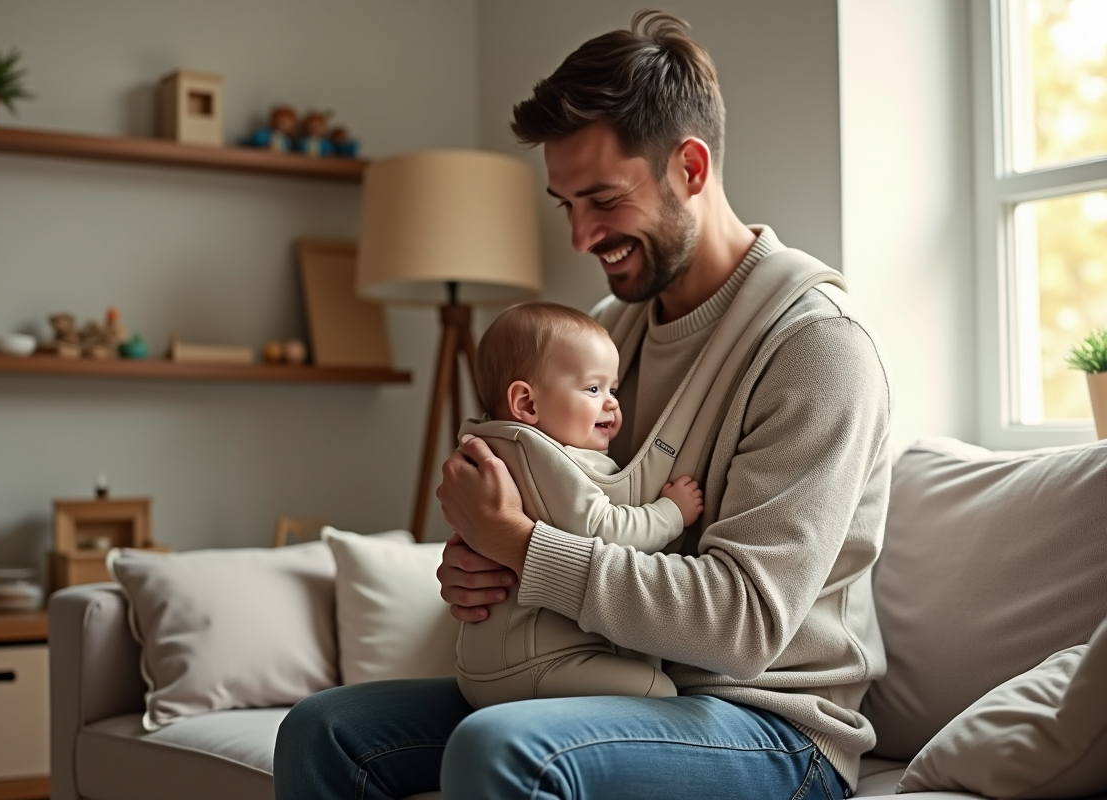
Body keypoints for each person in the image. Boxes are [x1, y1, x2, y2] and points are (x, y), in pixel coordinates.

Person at [274, 10, 891, 800]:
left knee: (504, 749)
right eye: (565, 203)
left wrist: (520, 548)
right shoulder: (607, 333)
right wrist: (475, 564)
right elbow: (548, 516)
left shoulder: (817, 348)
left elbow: (740, 627)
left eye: (602, 199)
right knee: (323, 731)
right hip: (598, 673)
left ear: (690, 168)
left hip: (770, 726)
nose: (579, 237)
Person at [455, 301, 702, 709]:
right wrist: (671, 512)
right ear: (527, 404)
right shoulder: (547, 457)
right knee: (659, 691)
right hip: (539, 664)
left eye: (613, 390)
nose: (612, 403)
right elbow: (605, 530)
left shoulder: (492, 447)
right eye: (593, 389)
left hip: (484, 666)